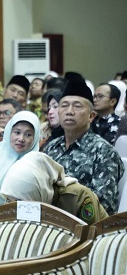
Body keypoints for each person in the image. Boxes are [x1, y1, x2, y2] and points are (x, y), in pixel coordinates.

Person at [43, 79, 124, 215]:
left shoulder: (103, 151)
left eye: (77, 106)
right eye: (64, 105)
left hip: (86, 228)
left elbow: (104, 207)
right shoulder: (50, 148)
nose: (69, 111)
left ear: (91, 116)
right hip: (48, 222)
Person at [0, 152, 108, 224]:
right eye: (8, 200)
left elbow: (93, 241)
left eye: (19, 201)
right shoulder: (16, 204)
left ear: (38, 191)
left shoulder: (79, 198)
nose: (13, 207)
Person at [0, 110, 41, 208]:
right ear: (9, 131)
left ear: (35, 138)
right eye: (17, 132)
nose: (21, 138)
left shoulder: (37, 164)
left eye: (28, 135)